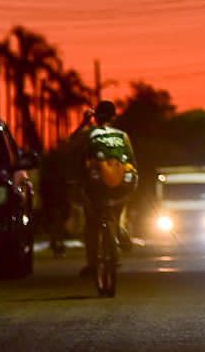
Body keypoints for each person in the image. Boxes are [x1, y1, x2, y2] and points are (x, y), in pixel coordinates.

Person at [78, 100, 138, 279]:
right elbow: (132, 162)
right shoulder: (122, 135)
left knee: (91, 223)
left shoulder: (90, 133)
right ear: (114, 117)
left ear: (95, 116)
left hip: (97, 185)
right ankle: (119, 229)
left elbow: (73, 146)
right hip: (125, 182)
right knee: (118, 208)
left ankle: (92, 264)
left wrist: (83, 123)